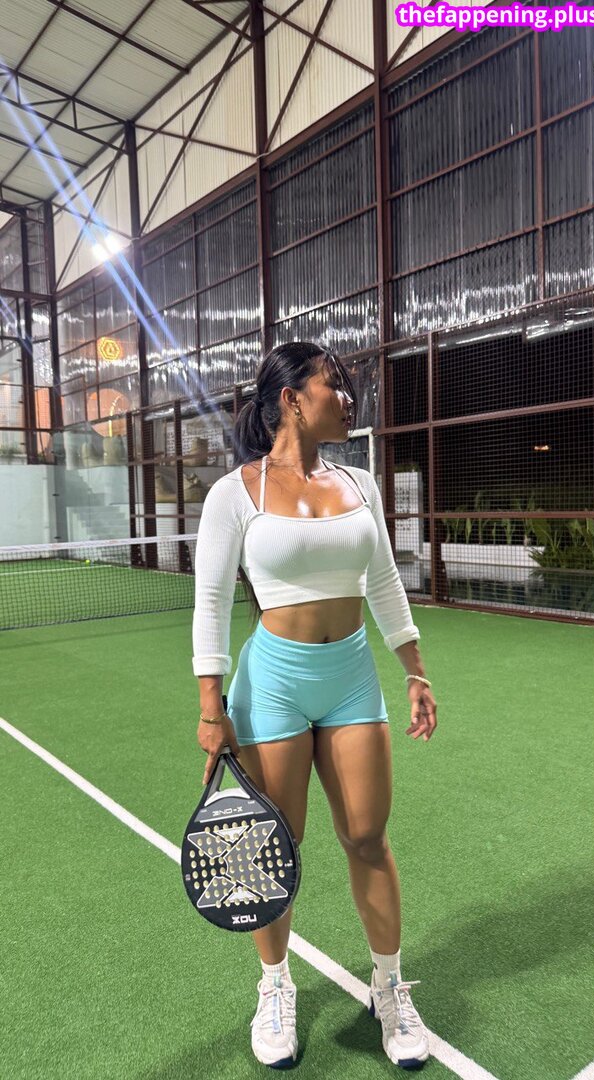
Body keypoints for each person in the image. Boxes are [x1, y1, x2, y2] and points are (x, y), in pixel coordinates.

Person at [192, 342, 438, 1070]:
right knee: (276, 843)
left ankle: (389, 987)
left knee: (367, 835)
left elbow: (384, 581)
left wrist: (415, 671)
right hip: (272, 682)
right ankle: (274, 988)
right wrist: (211, 707)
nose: (349, 399)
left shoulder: (360, 483)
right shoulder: (234, 493)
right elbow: (210, 602)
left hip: (351, 676)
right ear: (292, 398)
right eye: (336, 385)